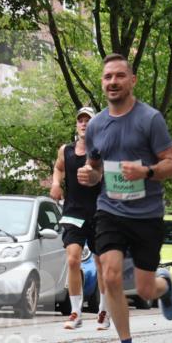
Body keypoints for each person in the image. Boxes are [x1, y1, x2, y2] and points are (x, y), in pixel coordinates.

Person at [77, 54, 172, 343]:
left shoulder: (150, 119)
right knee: (109, 275)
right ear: (102, 82)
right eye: (108, 77)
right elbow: (95, 168)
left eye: (120, 76)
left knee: (146, 289)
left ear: (132, 80)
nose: (113, 82)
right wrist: (89, 177)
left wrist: (147, 172)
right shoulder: (95, 125)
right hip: (110, 210)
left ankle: (164, 286)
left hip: (147, 214)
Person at [50, 106, 109, 331]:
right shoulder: (65, 150)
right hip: (73, 211)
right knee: (73, 260)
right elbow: (58, 168)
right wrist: (56, 184)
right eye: (80, 120)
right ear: (76, 125)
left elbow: (102, 173)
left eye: (88, 120)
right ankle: (76, 312)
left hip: (98, 212)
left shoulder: (101, 151)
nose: (84, 123)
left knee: (99, 263)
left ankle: (103, 310)